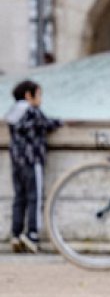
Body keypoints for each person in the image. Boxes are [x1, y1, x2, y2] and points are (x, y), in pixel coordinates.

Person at [7, 79, 61, 253]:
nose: (41, 99)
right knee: (34, 198)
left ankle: (16, 234)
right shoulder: (32, 111)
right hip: (32, 160)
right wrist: (60, 122)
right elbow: (47, 124)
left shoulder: (13, 112)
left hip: (16, 161)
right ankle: (32, 234)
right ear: (28, 95)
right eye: (39, 94)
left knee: (19, 198)